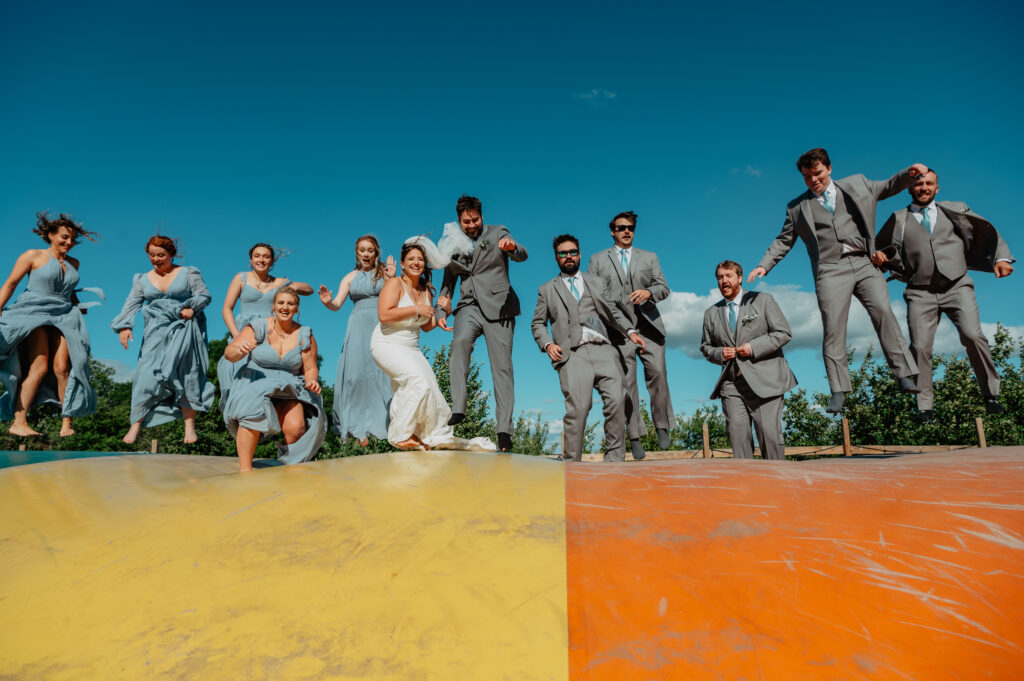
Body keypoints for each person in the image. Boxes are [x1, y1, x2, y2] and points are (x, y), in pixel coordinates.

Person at [747, 148, 925, 414]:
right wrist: (765, 264)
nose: (813, 180)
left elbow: (889, 185)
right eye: (807, 176)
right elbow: (784, 240)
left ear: (829, 168)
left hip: (864, 262)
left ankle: (904, 374)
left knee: (884, 313)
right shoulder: (796, 208)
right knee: (833, 328)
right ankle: (839, 391)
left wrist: (908, 175)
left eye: (817, 173)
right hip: (830, 270)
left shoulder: (858, 184)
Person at [873, 169, 1015, 423]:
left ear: (937, 188)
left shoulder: (956, 209)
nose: (923, 187)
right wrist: (881, 257)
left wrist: (1001, 258)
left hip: (957, 286)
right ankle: (924, 407)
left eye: (929, 183)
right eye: (918, 184)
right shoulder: (899, 218)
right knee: (920, 348)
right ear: (910, 188)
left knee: (973, 335)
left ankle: (991, 395)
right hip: (920, 292)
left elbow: (988, 230)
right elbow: (882, 249)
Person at [371, 240, 495, 452]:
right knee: (419, 382)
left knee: (432, 392)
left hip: (411, 347)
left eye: (420, 259)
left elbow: (427, 326)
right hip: (387, 342)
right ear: (402, 264)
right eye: (411, 259)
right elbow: (384, 315)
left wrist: (442, 311)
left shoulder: (426, 291)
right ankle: (400, 434)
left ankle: (426, 436)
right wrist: (416, 309)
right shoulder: (394, 284)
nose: (416, 262)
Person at [532, 234, 647, 462]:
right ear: (556, 257)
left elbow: (613, 312)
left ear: (580, 254)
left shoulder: (596, 282)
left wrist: (631, 331)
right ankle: (572, 464)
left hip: (603, 349)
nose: (568, 257)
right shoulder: (546, 289)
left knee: (618, 398)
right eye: (563, 253)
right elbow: (537, 323)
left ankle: (614, 461)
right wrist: (548, 343)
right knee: (579, 408)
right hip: (572, 354)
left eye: (573, 252)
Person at [435, 195, 528, 452]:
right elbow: (447, 282)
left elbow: (522, 254)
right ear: (459, 220)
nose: (471, 225)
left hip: (500, 307)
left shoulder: (498, 232)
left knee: (502, 368)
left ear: (481, 216)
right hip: (468, 306)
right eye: (466, 222)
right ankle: (459, 407)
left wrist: (511, 248)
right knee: (460, 342)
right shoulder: (453, 243)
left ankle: (504, 431)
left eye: (475, 219)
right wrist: (440, 311)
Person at [0, 212, 100, 437]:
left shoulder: (74, 263)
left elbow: (67, 291)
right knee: (39, 366)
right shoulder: (32, 255)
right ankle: (19, 421)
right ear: (50, 235)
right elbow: (10, 284)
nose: (69, 243)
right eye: (64, 237)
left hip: (64, 315)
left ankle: (67, 422)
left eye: (73, 239)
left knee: (64, 368)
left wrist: (77, 305)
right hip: (33, 312)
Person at [111, 235, 216, 444]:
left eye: (161, 255)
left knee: (188, 373)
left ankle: (189, 428)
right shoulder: (142, 279)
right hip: (155, 331)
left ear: (171, 255)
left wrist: (191, 306)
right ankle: (135, 425)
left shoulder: (188, 273)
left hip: (185, 328)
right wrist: (124, 326)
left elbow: (204, 295)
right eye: (152, 255)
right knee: (145, 374)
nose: (156, 259)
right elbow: (131, 304)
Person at [587, 210, 674, 458]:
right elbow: (595, 295)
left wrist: (649, 292)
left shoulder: (649, 257)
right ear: (612, 230)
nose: (627, 231)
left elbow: (663, 288)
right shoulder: (597, 260)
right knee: (628, 382)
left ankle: (662, 425)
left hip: (649, 326)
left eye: (631, 228)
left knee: (658, 372)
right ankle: (634, 435)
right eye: (622, 227)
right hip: (619, 330)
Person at [222, 286, 327, 471]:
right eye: (281, 303)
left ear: (297, 309)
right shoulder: (258, 326)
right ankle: (245, 471)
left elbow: (310, 367)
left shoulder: (305, 334)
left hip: (289, 385)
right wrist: (238, 350)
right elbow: (229, 354)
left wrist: (312, 380)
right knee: (251, 413)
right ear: (273, 306)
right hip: (256, 380)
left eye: (290, 303)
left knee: (296, 427)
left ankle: (289, 469)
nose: (285, 307)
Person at [701, 261, 797, 460]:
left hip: (766, 382)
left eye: (728, 276)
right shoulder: (711, 313)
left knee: (769, 438)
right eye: (720, 277)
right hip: (731, 385)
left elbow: (783, 333)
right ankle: (746, 487)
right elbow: (706, 347)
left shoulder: (763, 300)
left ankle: (776, 485)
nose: (724, 281)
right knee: (737, 438)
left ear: (740, 278)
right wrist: (720, 353)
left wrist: (753, 348)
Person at [319, 235, 395, 445]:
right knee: (357, 375)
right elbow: (336, 304)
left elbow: (395, 297)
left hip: (380, 325)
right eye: (362, 250)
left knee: (382, 373)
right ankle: (358, 427)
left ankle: (385, 424)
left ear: (376, 252)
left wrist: (392, 277)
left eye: (370, 250)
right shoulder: (350, 277)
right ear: (357, 253)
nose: (366, 254)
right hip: (357, 326)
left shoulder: (384, 274)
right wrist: (327, 302)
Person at [217, 243, 312, 411]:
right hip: (245, 332)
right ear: (251, 259)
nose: (261, 259)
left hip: (270, 332)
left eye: (266, 256)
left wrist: (293, 286)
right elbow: (227, 309)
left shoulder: (280, 282)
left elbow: (309, 289)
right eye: (257, 256)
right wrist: (236, 335)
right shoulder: (241, 277)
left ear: (272, 261)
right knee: (238, 380)